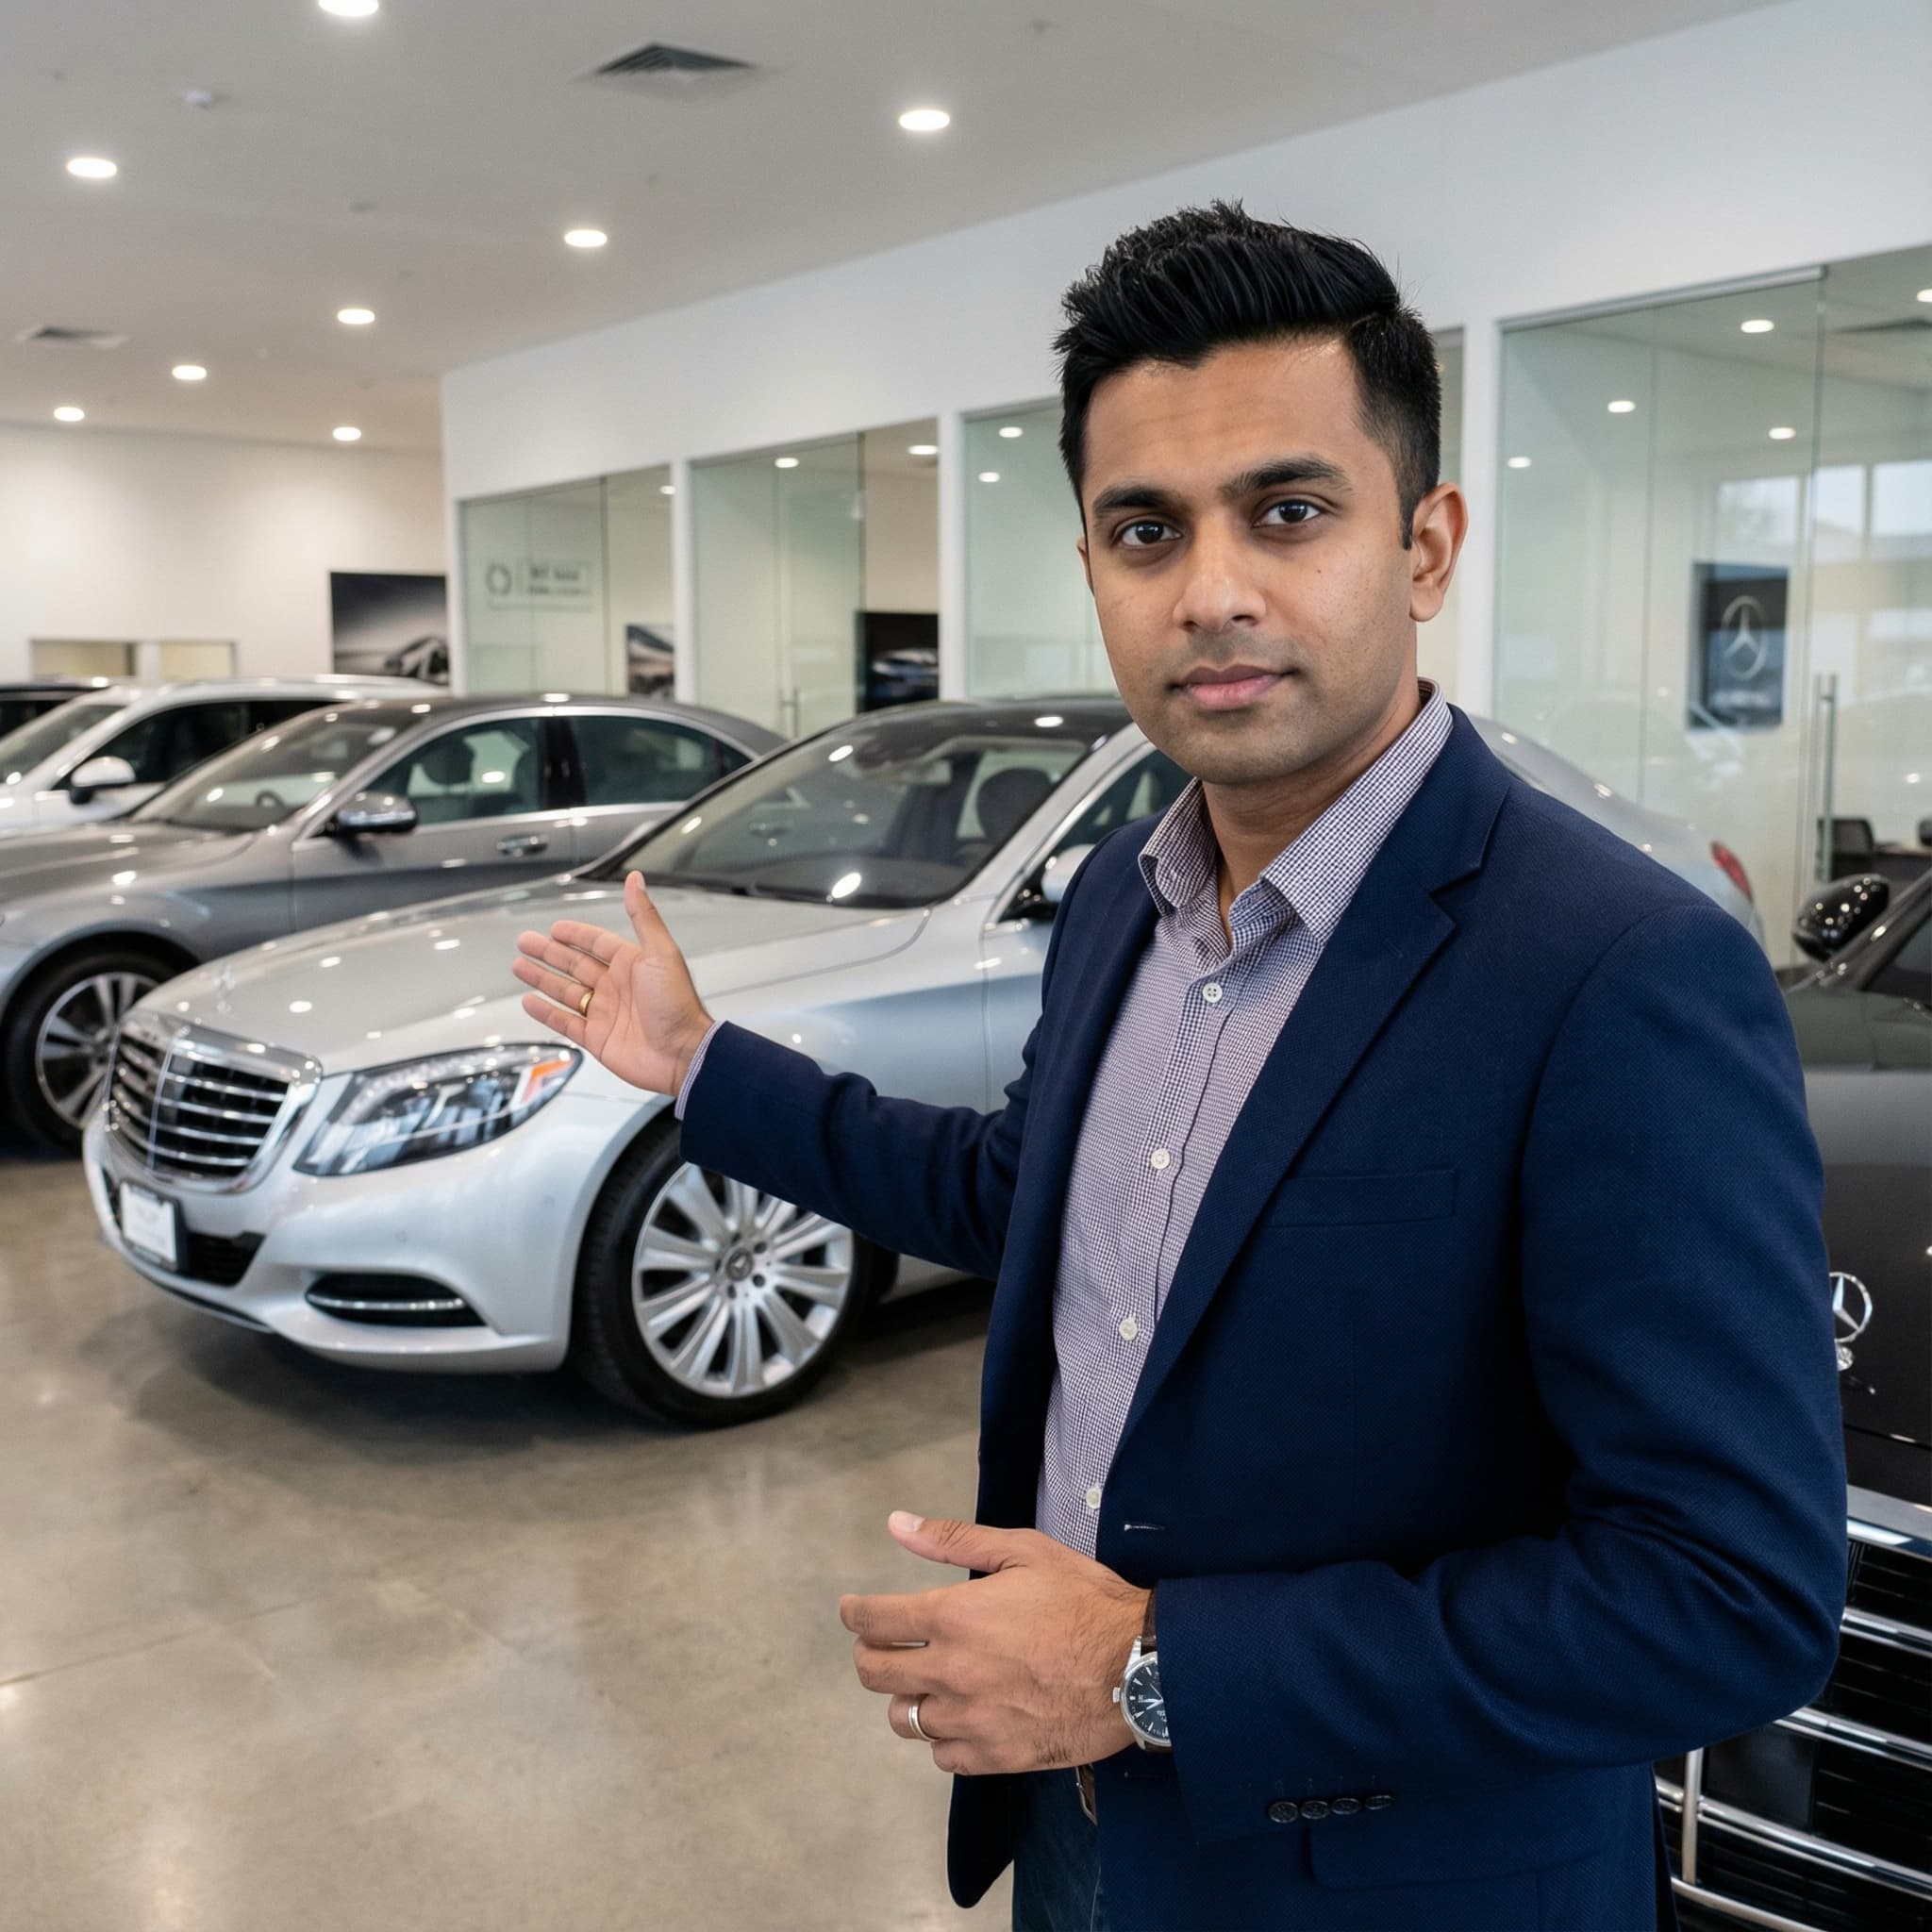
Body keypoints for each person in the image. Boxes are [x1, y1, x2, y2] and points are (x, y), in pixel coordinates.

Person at [511, 204, 1844, 1932]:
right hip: (1076, 1833)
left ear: (1426, 546)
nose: (1212, 591)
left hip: (1397, 1886)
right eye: (1145, 530)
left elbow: (1725, 1597)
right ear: (1092, 572)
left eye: (1289, 512)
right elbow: (1020, 1195)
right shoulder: (1118, 912)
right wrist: (700, 1067)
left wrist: (1154, 1670)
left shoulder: (1623, 969)